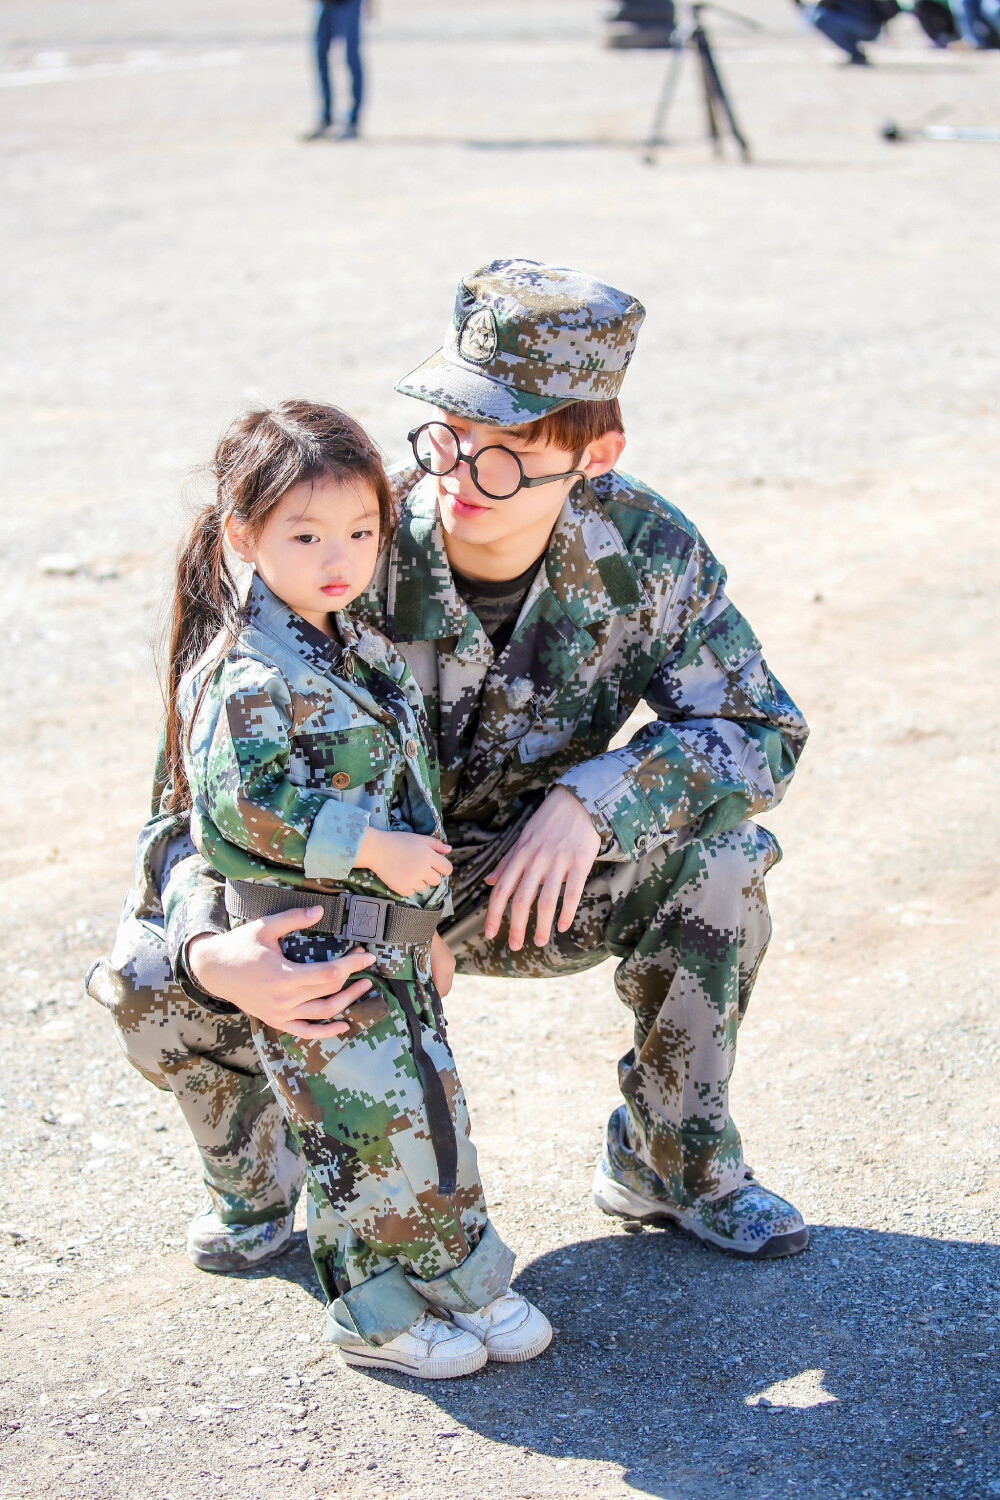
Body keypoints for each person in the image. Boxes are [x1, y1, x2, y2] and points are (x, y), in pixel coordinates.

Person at [89, 260, 810, 1314]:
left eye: (511, 455)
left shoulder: (639, 551)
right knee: (154, 969)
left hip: (525, 887)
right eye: (448, 434)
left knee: (722, 863)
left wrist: (597, 798)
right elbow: (185, 811)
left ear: (594, 455)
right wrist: (214, 949)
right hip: (343, 901)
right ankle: (256, 1178)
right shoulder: (330, 541)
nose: (461, 476)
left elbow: (759, 730)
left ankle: (671, 1159)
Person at [116, 400, 551, 1379]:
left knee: (428, 1112)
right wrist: (370, 851)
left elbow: (408, 784)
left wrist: (424, 916)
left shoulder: (348, 641)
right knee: (356, 1133)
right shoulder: (243, 673)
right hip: (303, 949)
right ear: (243, 536)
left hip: (381, 936)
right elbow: (241, 809)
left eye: (359, 532)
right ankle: (375, 1308)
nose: (336, 556)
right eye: (304, 535)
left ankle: (460, 1278)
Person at [303, 0, 364, 142]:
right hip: (326, 4)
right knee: (320, 56)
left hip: (349, 3)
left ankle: (353, 121)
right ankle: (326, 118)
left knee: (351, 58)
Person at [806, 0, 899, 63]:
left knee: (819, 17)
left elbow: (824, 5)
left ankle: (855, 54)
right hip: (875, 29)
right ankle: (856, 55)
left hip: (864, 26)